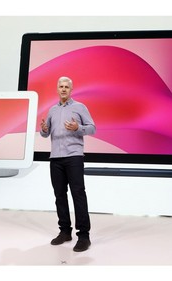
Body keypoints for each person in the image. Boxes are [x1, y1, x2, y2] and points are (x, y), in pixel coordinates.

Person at [40, 76, 96, 252]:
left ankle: (84, 236)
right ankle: (65, 231)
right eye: (61, 86)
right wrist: (43, 129)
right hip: (55, 158)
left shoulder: (79, 107)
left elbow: (92, 128)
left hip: (74, 156)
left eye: (66, 87)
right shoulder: (52, 111)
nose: (63, 89)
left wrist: (77, 128)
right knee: (59, 195)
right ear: (57, 89)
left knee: (78, 194)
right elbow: (45, 134)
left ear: (71, 90)